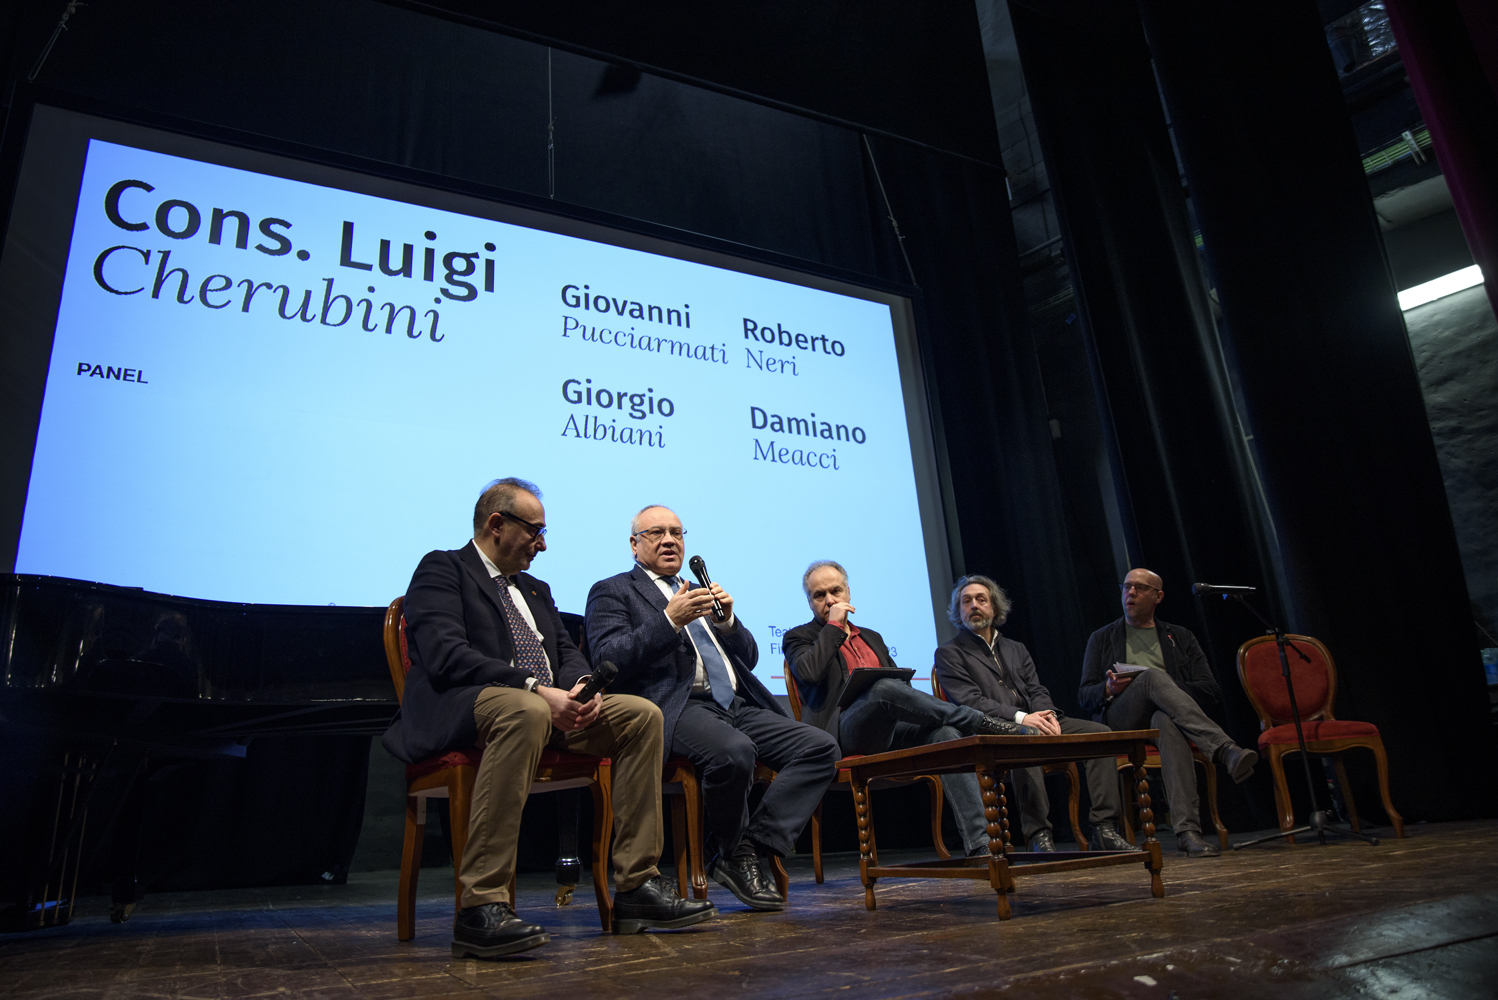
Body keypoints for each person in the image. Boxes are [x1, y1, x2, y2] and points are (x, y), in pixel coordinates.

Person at [382, 480, 715, 959]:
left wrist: (582, 687)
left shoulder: (535, 589)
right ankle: (481, 906)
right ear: (496, 525)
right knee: (525, 708)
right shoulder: (444, 568)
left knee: (641, 714)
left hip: (546, 710)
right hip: (468, 708)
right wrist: (537, 689)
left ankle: (638, 887)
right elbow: (445, 655)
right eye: (535, 531)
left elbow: (564, 652)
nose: (543, 544)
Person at [585, 505, 839, 911]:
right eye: (656, 533)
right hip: (677, 706)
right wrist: (668, 621)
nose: (670, 540)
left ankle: (748, 848)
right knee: (734, 752)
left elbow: (751, 657)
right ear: (635, 545)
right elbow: (607, 659)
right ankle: (737, 853)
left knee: (821, 747)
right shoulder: (614, 590)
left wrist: (728, 623)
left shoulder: (697, 590)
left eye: (676, 532)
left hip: (735, 704)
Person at [782, 560, 1029, 858]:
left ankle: (980, 846)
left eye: (836, 590)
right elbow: (808, 673)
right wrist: (834, 627)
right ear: (809, 602)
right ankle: (979, 722)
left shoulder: (871, 637)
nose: (830, 600)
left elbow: (901, 691)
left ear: (849, 592)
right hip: (844, 734)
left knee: (946, 732)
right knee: (882, 689)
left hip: (889, 730)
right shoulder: (799, 637)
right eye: (819, 595)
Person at [934, 575, 1141, 854]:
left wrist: (1048, 714)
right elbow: (971, 702)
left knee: (1100, 735)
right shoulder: (949, 653)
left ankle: (1103, 828)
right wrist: (1022, 718)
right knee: (1026, 737)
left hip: (1035, 719)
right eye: (966, 601)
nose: (973, 606)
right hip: (994, 728)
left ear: (994, 608)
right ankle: (1038, 836)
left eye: (981, 600)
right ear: (958, 611)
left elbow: (1036, 688)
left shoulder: (1015, 648)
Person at [1078, 567, 1259, 858]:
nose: (1131, 593)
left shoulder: (1181, 637)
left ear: (1158, 596)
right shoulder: (1102, 638)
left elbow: (1210, 690)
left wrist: (1165, 689)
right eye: (1126, 587)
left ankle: (1188, 833)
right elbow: (1084, 695)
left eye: (1139, 588)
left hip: (1165, 718)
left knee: (1165, 719)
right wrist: (1109, 688)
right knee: (1151, 677)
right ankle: (1225, 749)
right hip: (1121, 718)